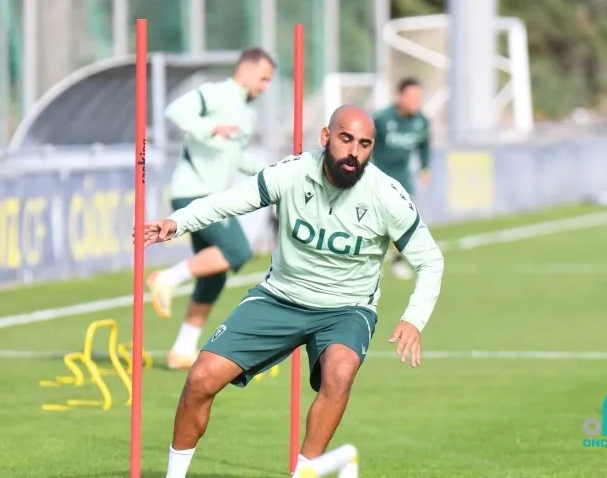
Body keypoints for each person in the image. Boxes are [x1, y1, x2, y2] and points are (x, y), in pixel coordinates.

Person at [140, 105, 445, 478]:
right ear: (326, 137)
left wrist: (414, 319)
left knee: (340, 371)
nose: (353, 152)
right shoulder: (293, 172)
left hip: (346, 309)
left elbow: (431, 260)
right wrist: (177, 222)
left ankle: (303, 473)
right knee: (201, 378)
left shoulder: (386, 195)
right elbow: (228, 201)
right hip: (279, 298)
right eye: (346, 139)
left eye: (364, 144)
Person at [145, 47, 276, 370]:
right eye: (263, 78)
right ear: (245, 72)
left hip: (215, 198)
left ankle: (182, 350)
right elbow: (175, 110)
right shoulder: (216, 94)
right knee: (237, 251)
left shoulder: (247, 112)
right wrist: (209, 129)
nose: (266, 87)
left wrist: (273, 173)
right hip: (193, 194)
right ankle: (166, 279)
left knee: (213, 277)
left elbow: (238, 157)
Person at [371, 77, 432, 280]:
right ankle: (368, 261)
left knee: (403, 220)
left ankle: (398, 261)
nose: (416, 102)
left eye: (419, 98)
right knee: (374, 222)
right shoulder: (382, 119)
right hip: (377, 176)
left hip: (402, 179)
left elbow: (424, 145)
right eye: (412, 97)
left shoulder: (421, 121)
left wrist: (425, 167)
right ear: (400, 97)